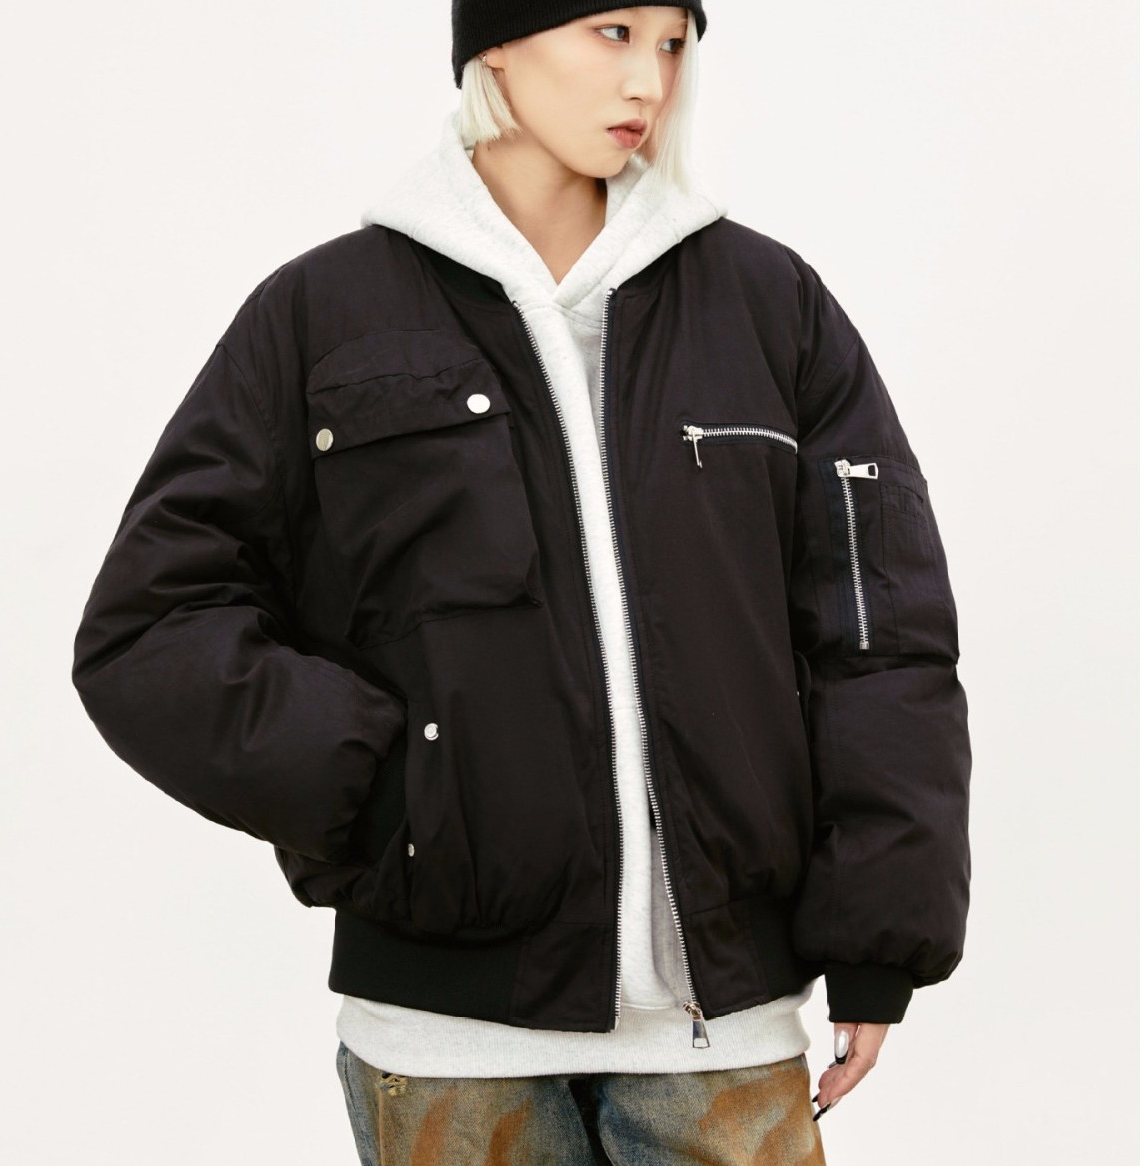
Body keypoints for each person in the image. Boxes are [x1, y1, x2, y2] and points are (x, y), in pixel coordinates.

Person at [70, 3, 972, 1162]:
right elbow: (150, 624)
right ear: (495, 39)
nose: (648, 79)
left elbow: (878, 634)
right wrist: (381, 781)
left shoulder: (765, 304)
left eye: (672, 42)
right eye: (611, 32)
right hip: (446, 1049)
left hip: (720, 1032)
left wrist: (878, 935)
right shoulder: (323, 313)